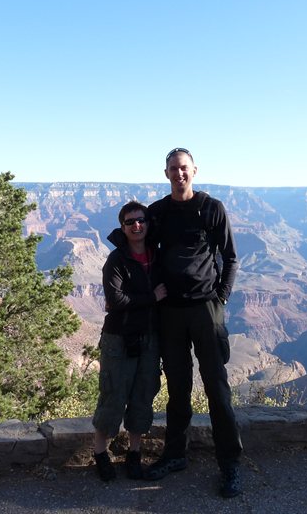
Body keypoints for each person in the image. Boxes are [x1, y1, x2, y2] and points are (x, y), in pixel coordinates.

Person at [144, 147, 242, 498]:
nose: (179, 174)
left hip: (205, 308)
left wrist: (222, 298)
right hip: (170, 311)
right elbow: (146, 252)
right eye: (173, 169)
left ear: (194, 170)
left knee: (217, 387)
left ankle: (230, 463)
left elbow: (230, 257)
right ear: (166, 172)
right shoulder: (157, 212)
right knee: (178, 387)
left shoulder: (211, 207)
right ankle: (175, 455)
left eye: (184, 168)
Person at [92, 201, 167, 482]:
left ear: (147, 223)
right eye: (130, 222)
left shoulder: (157, 256)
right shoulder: (116, 260)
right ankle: (100, 453)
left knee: (142, 397)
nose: (136, 225)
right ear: (122, 227)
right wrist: (152, 298)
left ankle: (134, 454)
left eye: (141, 220)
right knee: (113, 397)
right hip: (119, 338)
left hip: (149, 337)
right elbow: (115, 300)